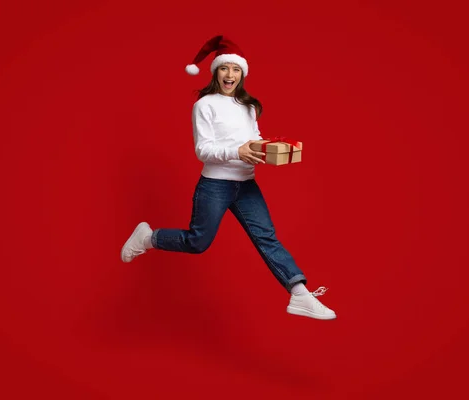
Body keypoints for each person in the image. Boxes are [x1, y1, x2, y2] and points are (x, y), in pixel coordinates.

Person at [121, 35, 336, 320]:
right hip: (215, 185)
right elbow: (203, 149)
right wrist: (238, 151)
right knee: (198, 242)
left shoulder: (248, 106)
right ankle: (149, 237)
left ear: (242, 74)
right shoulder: (204, 105)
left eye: (236, 69)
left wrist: (269, 151)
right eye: (225, 68)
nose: (230, 74)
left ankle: (300, 295)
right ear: (216, 71)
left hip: (246, 184)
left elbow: (253, 139)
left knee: (267, 238)